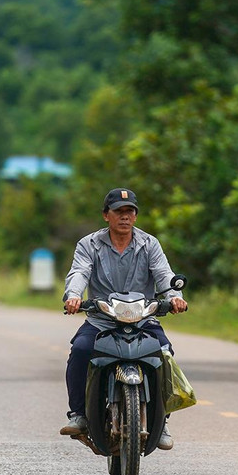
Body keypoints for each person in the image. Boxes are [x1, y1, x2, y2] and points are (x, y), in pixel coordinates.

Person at [61, 187, 187, 448]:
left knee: (165, 353)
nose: (125, 216)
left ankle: (161, 421)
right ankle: (80, 415)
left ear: (136, 216)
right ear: (106, 215)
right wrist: (74, 295)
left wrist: (175, 297)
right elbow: (79, 272)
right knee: (81, 349)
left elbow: (164, 275)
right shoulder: (89, 244)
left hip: (143, 320)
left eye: (130, 211)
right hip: (102, 320)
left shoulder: (149, 244)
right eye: (119, 211)